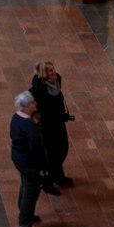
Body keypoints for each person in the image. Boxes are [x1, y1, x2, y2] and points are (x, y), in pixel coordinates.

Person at [30, 60, 74, 189]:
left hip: (58, 122)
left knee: (62, 149)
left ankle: (54, 175)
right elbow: (32, 106)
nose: (54, 72)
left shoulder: (57, 80)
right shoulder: (37, 89)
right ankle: (52, 177)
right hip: (47, 125)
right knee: (51, 152)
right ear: (44, 74)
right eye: (50, 70)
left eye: (53, 69)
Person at [9, 89, 47, 227]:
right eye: (32, 103)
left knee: (25, 185)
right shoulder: (30, 126)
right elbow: (36, 149)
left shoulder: (16, 118)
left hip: (18, 159)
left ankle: (24, 213)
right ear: (25, 106)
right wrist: (43, 168)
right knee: (30, 194)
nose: (35, 104)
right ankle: (25, 223)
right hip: (29, 164)